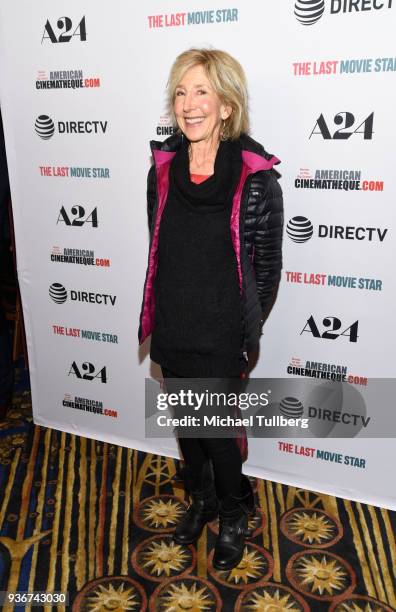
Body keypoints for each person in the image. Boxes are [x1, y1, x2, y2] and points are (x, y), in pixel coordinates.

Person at [138, 48, 283, 570]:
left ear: (226, 105)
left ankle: (235, 510)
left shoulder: (256, 178)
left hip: (221, 332)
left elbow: (266, 271)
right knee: (188, 427)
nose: (189, 104)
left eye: (202, 91)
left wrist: (241, 323)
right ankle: (200, 499)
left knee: (219, 436)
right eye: (181, 92)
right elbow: (161, 245)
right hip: (174, 322)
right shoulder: (162, 169)